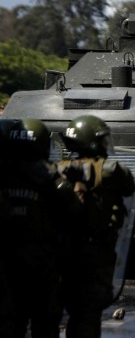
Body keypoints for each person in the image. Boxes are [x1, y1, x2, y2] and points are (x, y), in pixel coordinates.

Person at [58, 115, 135, 338]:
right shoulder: (111, 170)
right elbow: (129, 186)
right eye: (102, 141)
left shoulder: (58, 169)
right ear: (91, 142)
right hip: (98, 249)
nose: (105, 145)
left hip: (64, 249)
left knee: (68, 306)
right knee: (89, 311)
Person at [0, 119, 80, 338]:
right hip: (43, 264)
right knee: (45, 324)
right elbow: (74, 212)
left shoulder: (4, 172)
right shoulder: (51, 176)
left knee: (10, 322)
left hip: (8, 264)